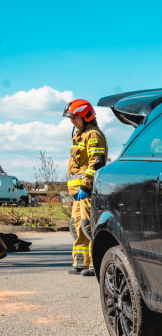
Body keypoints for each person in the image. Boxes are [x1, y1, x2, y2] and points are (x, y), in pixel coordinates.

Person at [64, 99, 107, 276]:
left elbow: (95, 162)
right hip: (77, 193)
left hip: (87, 190)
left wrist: (86, 186)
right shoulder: (80, 135)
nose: (72, 121)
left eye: (75, 117)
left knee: (88, 226)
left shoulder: (93, 135)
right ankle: (81, 263)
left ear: (86, 116)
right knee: (76, 226)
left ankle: (96, 265)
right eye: (71, 118)